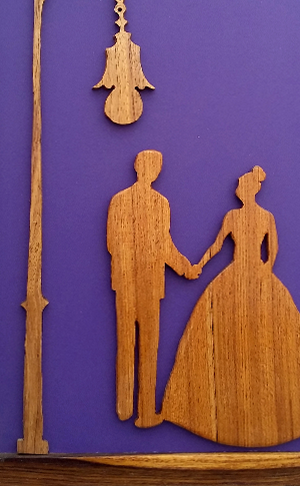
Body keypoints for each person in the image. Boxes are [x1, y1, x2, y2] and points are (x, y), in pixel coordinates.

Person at [162, 166, 300, 446]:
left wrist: (205, 265)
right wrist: (204, 264)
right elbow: (243, 249)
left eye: (239, 186)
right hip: (249, 275)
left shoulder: (253, 217)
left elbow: (258, 249)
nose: (235, 190)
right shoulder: (247, 216)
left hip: (249, 275)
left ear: (247, 190)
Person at [107, 150, 200, 428]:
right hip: (141, 283)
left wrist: (183, 267)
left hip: (132, 282)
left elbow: (119, 243)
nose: (154, 171)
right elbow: (161, 246)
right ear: (142, 168)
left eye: (156, 167)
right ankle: (140, 411)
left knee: (130, 345)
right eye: (153, 166)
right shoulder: (156, 203)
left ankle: (129, 408)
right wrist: (184, 267)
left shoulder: (123, 200)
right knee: (145, 347)